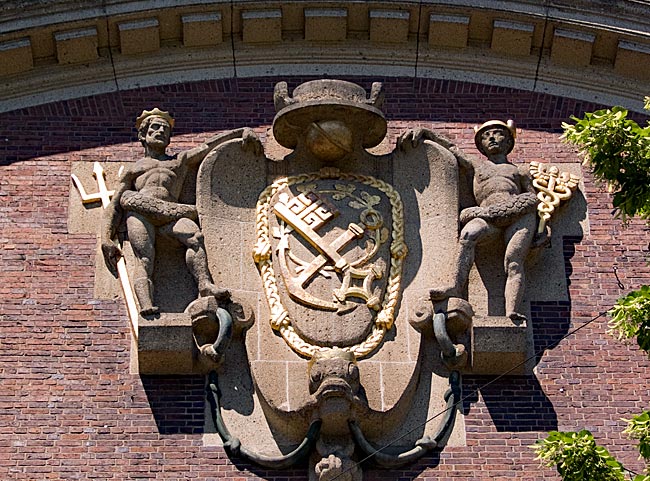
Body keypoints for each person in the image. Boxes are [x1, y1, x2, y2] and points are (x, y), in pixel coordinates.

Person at [101, 108, 261, 315]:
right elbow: (115, 204)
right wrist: (106, 237)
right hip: (140, 214)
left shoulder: (178, 162)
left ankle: (204, 284)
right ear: (143, 134)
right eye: (155, 127)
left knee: (194, 235)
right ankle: (146, 305)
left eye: (165, 130)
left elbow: (207, 146)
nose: (160, 132)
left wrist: (241, 131)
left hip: (172, 214)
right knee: (145, 259)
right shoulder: (135, 169)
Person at [399, 120, 538, 321]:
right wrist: (427, 133)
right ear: (480, 144)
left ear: (508, 141)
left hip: (517, 216)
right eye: (485, 135)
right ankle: (454, 286)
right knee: (468, 234)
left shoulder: (519, 171)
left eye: (497, 133)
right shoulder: (477, 165)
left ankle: (512, 311)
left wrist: (541, 230)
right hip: (486, 214)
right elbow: (453, 149)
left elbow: (533, 199)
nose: (491, 138)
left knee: (513, 262)